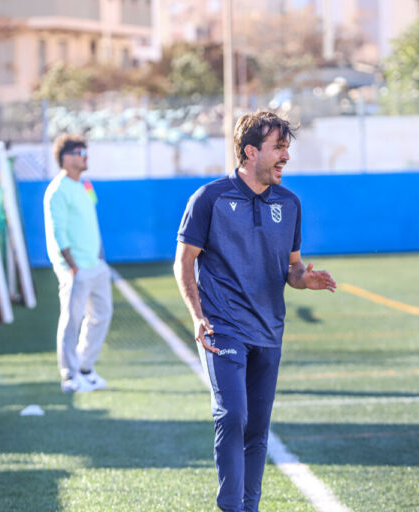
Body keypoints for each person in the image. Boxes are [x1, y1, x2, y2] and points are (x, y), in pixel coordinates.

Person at [173, 110, 336, 512]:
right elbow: (183, 262)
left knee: (257, 430)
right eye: (278, 147)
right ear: (250, 152)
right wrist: (197, 315)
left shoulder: (290, 203)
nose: (286, 156)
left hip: (269, 331)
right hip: (222, 327)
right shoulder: (209, 198)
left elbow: (292, 268)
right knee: (231, 416)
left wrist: (303, 279)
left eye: (287, 148)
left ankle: (250, 506)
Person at [44, 134, 112, 394]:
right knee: (71, 320)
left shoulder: (84, 185)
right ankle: (69, 376)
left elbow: (91, 222)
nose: (85, 157)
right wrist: (71, 266)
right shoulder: (57, 190)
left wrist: (99, 258)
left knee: (101, 315)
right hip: (75, 269)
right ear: (66, 157)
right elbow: (57, 231)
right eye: (80, 152)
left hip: (95, 264)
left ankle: (85, 368)